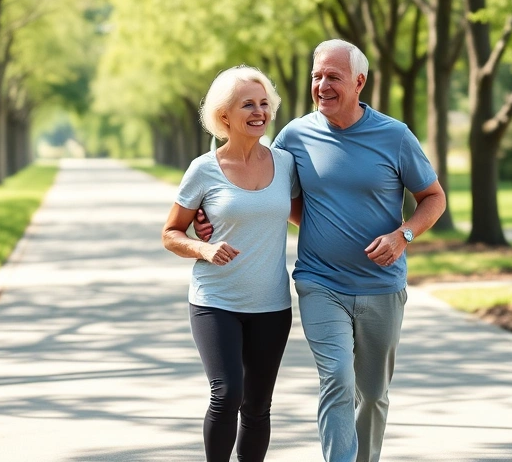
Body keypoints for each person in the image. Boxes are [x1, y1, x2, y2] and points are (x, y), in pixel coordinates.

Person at [196, 39, 446, 462]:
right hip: (319, 282)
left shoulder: (394, 136)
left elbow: (433, 197)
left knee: (372, 394)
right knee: (337, 379)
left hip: (381, 286)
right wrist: (211, 218)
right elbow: (262, 186)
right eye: (317, 76)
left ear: (359, 82)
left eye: (333, 76)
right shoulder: (295, 135)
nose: (322, 85)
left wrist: (402, 236)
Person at [162, 65, 300, 462]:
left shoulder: (285, 164)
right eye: (247, 105)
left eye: (264, 104)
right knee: (228, 394)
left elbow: (300, 215)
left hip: (271, 304)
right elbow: (171, 233)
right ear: (224, 116)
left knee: (258, 405)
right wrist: (203, 249)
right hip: (215, 301)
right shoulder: (203, 170)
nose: (259, 112)